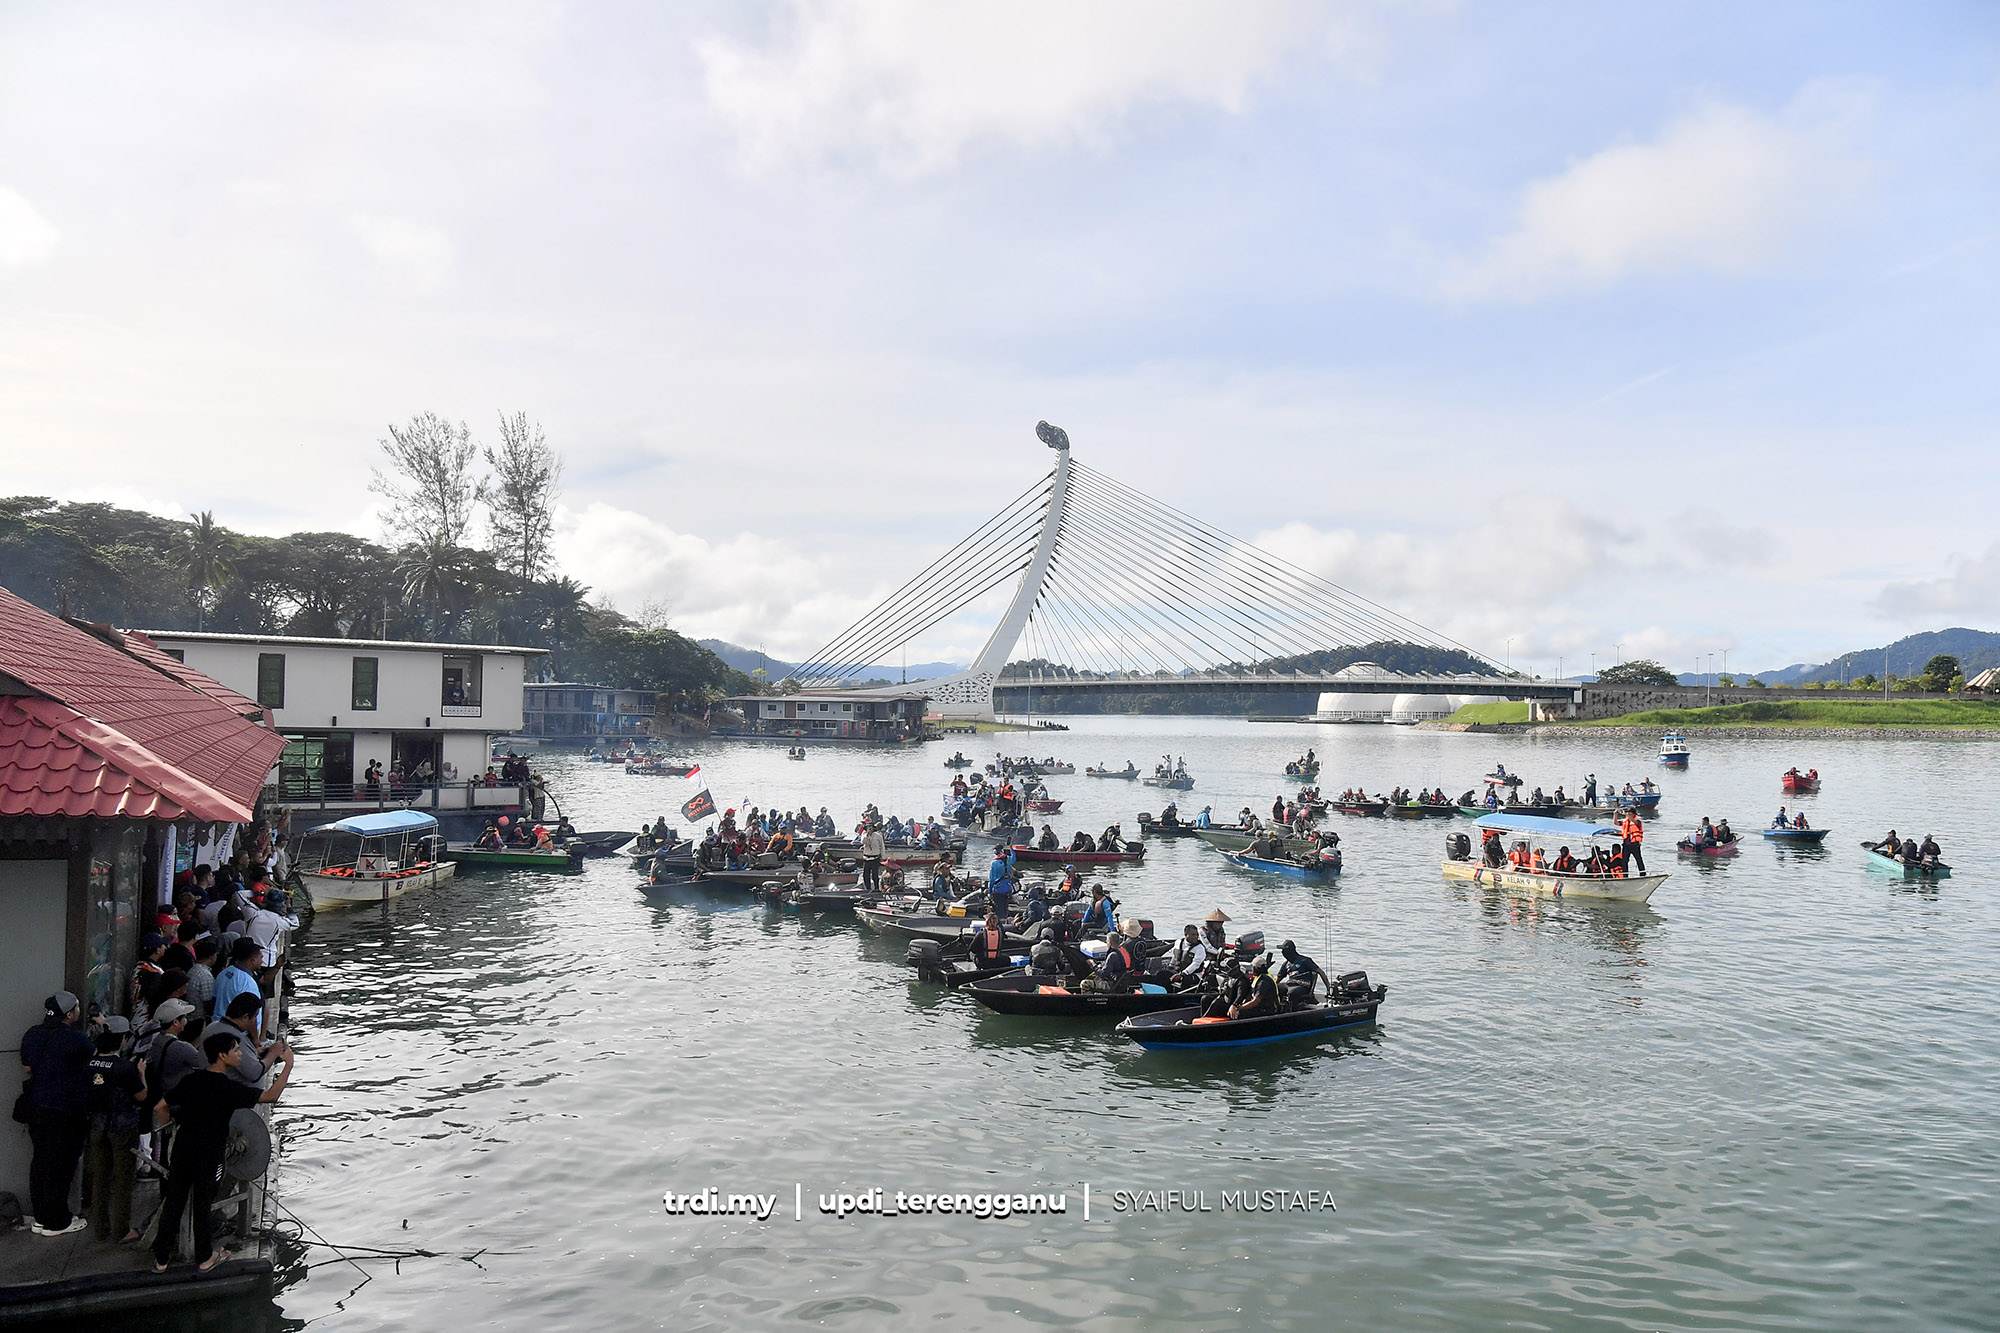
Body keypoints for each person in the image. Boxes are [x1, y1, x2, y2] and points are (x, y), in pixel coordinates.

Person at [154, 1030, 293, 1273]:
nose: (240, 1054)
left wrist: (169, 1128)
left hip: (183, 1149)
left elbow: (160, 1107)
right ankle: (205, 1257)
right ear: (222, 1056)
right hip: (209, 1154)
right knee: (203, 1203)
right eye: (236, 1050)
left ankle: (161, 1260)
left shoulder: (191, 1081)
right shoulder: (228, 1088)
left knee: (173, 1203)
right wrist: (288, 1066)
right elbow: (271, 1095)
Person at [20, 991, 93, 1235]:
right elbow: (92, 1060)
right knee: (61, 1166)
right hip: (65, 1111)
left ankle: (41, 1217)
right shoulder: (76, 1040)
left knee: (40, 1163)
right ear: (70, 1014)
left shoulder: (32, 1034)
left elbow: (28, 1067)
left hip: (35, 1108)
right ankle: (58, 1221)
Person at [85, 1016, 147, 1242]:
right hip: (122, 1127)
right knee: (123, 1180)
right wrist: (141, 1073)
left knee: (100, 1178)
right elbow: (141, 1095)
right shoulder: (125, 1068)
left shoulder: (89, 1064)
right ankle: (122, 1230)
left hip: (97, 1125)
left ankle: (100, 1229)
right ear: (121, 1039)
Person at [211, 938, 264, 1025]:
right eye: (261, 957)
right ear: (253, 960)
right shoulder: (248, 982)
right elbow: (252, 1016)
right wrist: (255, 1038)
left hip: (218, 1023)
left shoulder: (224, 973)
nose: (262, 961)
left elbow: (214, 999)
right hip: (238, 1030)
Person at [1276, 941, 1329, 1007]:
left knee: (1292, 993)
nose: (1282, 953)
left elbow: (1321, 972)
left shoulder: (1305, 961)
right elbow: (1278, 979)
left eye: (1284, 950)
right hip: (1289, 985)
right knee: (1276, 988)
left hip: (1303, 986)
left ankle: (1294, 1012)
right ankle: (1277, 1009)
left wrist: (1328, 988)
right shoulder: (1286, 964)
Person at [858, 822, 886, 895]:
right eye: (868, 828)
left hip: (875, 858)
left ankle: (877, 888)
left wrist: (883, 857)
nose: (870, 829)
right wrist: (867, 835)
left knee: (875, 875)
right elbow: (864, 842)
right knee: (865, 875)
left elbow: (882, 846)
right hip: (867, 858)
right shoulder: (864, 835)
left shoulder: (878, 836)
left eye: (871, 828)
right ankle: (868, 889)